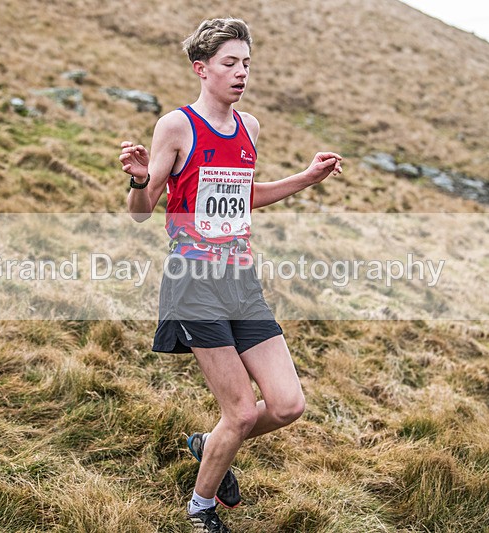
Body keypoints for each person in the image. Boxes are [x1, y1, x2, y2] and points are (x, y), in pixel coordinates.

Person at [120, 18, 342, 532]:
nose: (241, 73)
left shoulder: (249, 128)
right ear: (202, 69)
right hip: (194, 280)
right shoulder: (176, 127)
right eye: (229, 63)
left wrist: (307, 177)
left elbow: (244, 197)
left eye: (246, 63)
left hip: (240, 279)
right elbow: (141, 210)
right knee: (240, 413)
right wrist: (136, 181)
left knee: (287, 405)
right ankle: (201, 508)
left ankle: (210, 444)